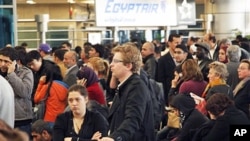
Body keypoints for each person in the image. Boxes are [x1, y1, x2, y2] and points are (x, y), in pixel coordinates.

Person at [100, 42, 155, 141]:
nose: (111, 65)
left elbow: (133, 119)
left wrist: (114, 138)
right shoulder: (125, 85)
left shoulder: (137, 87)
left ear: (128, 66)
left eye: (116, 61)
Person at [0, 47, 34, 137]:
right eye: (0, 60)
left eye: (6, 61)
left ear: (15, 62)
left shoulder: (26, 73)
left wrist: (11, 74)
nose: (2, 64)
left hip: (21, 120)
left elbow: (25, 92)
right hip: (3, 119)